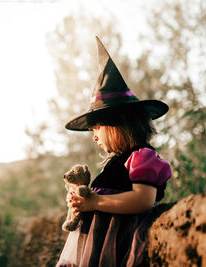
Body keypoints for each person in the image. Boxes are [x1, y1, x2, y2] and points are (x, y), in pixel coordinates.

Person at [56, 37, 172, 267]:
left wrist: (95, 202)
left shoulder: (141, 157)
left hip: (122, 244)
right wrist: (82, 201)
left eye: (98, 128)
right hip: (97, 245)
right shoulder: (114, 163)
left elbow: (143, 200)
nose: (95, 136)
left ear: (119, 125)